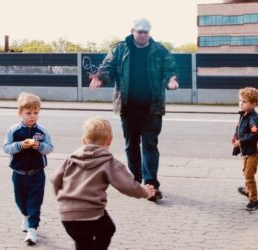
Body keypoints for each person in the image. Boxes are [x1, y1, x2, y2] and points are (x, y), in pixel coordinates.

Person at [89, 18, 178, 202]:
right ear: (132, 31)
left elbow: (170, 67)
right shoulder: (120, 49)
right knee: (131, 145)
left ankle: (151, 184)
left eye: (146, 32)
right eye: (140, 32)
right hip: (128, 107)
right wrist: (100, 78)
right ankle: (136, 179)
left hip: (152, 107)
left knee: (150, 145)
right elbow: (108, 68)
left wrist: (171, 80)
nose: (143, 35)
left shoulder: (159, 50)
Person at [51, 116, 156, 250]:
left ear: (83, 141)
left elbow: (55, 179)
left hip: (67, 215)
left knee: (83, 243)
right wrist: (145, 193)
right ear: (110, 141)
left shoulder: (71, 158)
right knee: (108, 229)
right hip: (92, 213)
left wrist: (63, 200)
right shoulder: (108, 162)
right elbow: (127, 186)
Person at [3, 92, 54, 245]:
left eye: (36, 113)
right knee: (20, 200)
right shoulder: (14, 130)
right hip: (18, 173)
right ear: (20, 113)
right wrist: (19, 145)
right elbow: (6, 148)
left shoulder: (42, 131)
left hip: (37, 174)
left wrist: (39, 146)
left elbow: (49, 148)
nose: (32, 116)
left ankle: (33, 229)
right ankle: (25, 216)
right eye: (28, 113)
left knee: (35, 202)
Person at [232, 87, 258, 211]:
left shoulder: (253, 119)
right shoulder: (244, 115)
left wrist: (241, 141)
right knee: (245, 171)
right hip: (247, 151)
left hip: (254, 152)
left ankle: (254, 201)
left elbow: (256, 134)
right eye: (240, 101)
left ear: (253, 104)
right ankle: (248, 190)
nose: (241, 103)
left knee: (249, 175)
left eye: (244, 102)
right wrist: (235, 137)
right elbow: (240, 129)